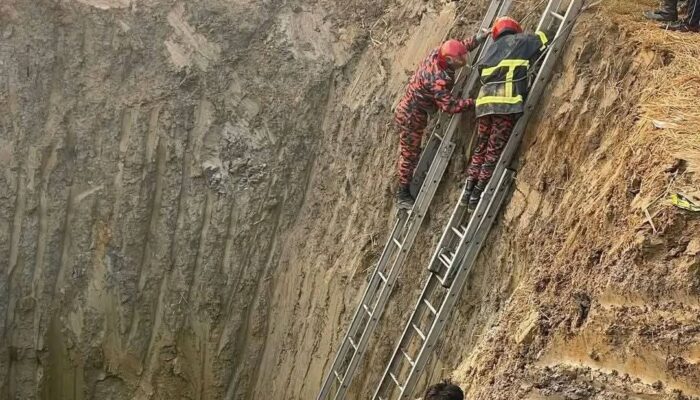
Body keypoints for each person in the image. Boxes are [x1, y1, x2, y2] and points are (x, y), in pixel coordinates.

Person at [462, 17, 551, 212]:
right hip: (505, 105)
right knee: (493, 151)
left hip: (484, 107)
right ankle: (477, 195)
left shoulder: (489, 52)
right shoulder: (521, 41)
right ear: (515, 29)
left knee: (481, 148)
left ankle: (468, 191)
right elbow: (544, 38)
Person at [394, 31, 490, 210]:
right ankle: (403, 194)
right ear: (450, 62)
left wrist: (478, 39)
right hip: (411, 115)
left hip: (412, 108)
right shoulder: (438, 79)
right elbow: (450, 106)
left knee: (411, 152)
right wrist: (474, 103)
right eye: (460, 61)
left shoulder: (439, 52)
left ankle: (403, 191)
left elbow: (458, 48)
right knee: (410, 155)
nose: (463, 62)